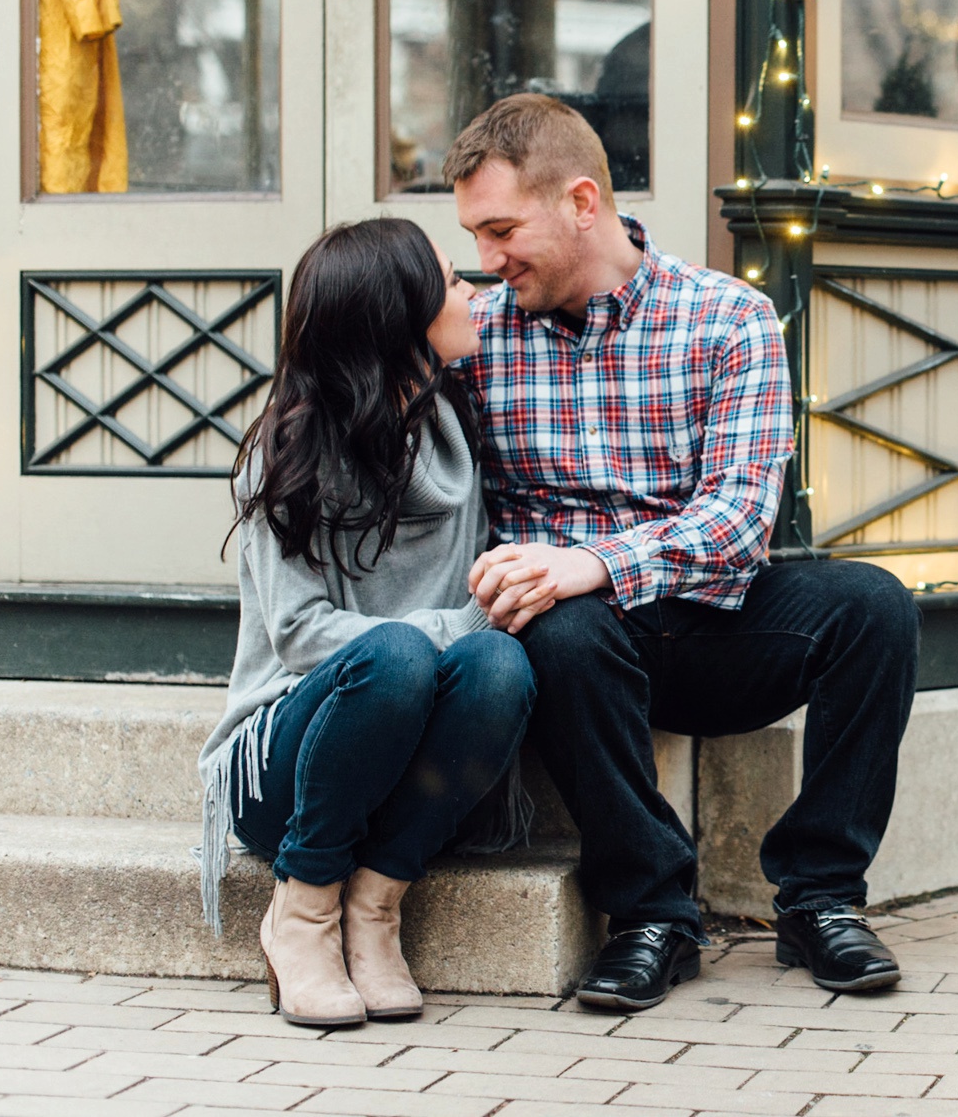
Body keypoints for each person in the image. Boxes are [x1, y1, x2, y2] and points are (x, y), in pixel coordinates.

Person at [445, 93, 920, 1012]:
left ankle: (820, 898)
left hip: (716, 622)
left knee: (875, 606)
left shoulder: (728, 319)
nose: (487, 261)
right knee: (564, 629)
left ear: (583, 203)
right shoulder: (482, 334)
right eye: (474, 236)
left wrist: (598, 560)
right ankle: (654, 915)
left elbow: (741, 521)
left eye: (502, 230)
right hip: (580, 650)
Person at [198, 218, 540, 1028]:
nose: (474, 293)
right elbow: (301, 634)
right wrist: (444, 631)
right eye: (453, 283)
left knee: (502, 669)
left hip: (404, 764)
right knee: (396, 656)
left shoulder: (461, 427)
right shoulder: (290, 448)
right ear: (400, 317)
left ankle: (376, 905)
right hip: (284, 766)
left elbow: (483, 632)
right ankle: (304, 909)